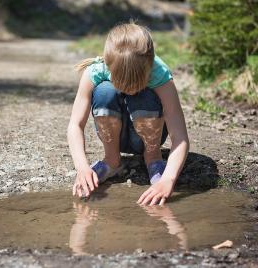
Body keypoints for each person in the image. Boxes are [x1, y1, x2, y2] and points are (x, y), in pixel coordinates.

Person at [67, 22, 189, 206]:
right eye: (123, 84)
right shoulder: (96, 71)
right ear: (108, 66)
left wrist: (168, 179)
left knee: (145, 95)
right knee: (105, 91)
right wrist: (82, 167)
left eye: (136, 83)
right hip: (116, 135)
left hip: (149, 137)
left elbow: (180, 137)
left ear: (149, 68)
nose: (130, 91)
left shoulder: (159, 75)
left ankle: (153, 158)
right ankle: (112, 160)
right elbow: (75, 125)